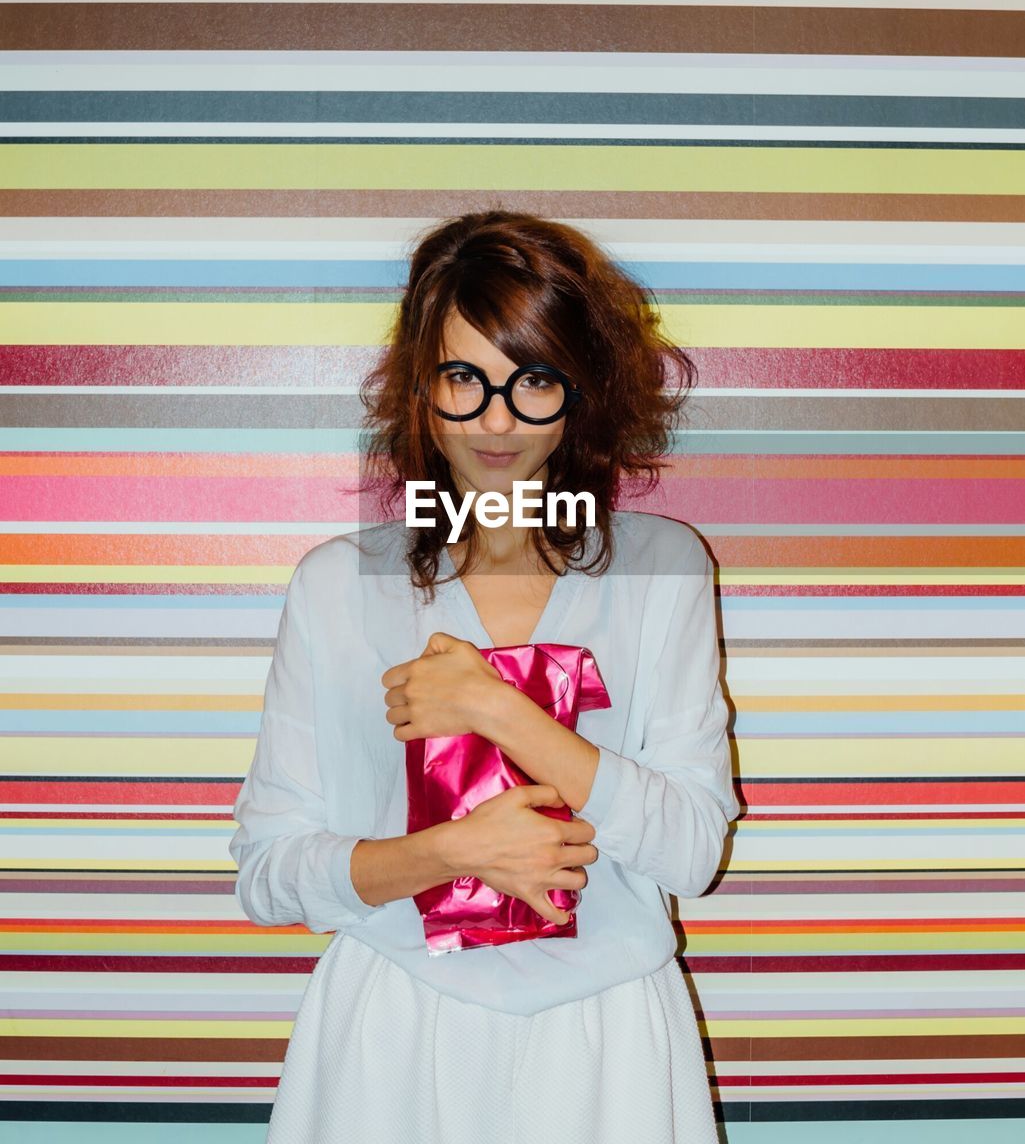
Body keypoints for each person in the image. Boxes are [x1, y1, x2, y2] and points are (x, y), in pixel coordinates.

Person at [229, 210, 741, 1143]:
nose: (496, 420)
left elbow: (692, 853)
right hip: (391, 1031)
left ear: (579, 391)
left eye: (533, 379)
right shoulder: (338, 585)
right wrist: (450, 854)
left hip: (606, 1037)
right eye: (463, 378)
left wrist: (493, 708)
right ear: (420, 390)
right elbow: (269, 874)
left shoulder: (663, 567)